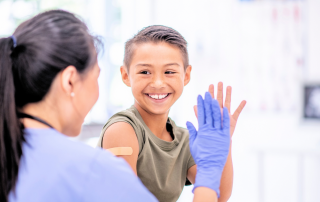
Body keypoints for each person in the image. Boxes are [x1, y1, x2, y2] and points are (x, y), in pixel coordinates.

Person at [0, 10, 230, 202]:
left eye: (169, 71)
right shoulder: (89, 166)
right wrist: (209, 171)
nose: (158, 82)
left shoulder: (12, 148)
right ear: (70, 80)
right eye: (96, 76)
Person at [97, 25, 246, 202]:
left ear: (186, 75)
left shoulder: (185, 140)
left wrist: (223, 145)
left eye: (169, 72)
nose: (158, 83)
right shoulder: (122, 129)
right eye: (145, 72)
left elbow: (218, 196)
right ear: (126, 75)